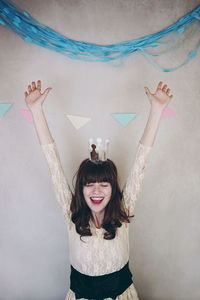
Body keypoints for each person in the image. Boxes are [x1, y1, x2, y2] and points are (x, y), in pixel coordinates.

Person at [24, 80, 173, 300]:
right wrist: (36, 111)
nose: (96, 191)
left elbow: (141, 161)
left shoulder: (124, 210)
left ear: (113, 189)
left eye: (104, 184)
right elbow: (52, 162)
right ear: (80, 188)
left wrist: (157, 110)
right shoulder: (71, 213)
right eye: (89, 184)